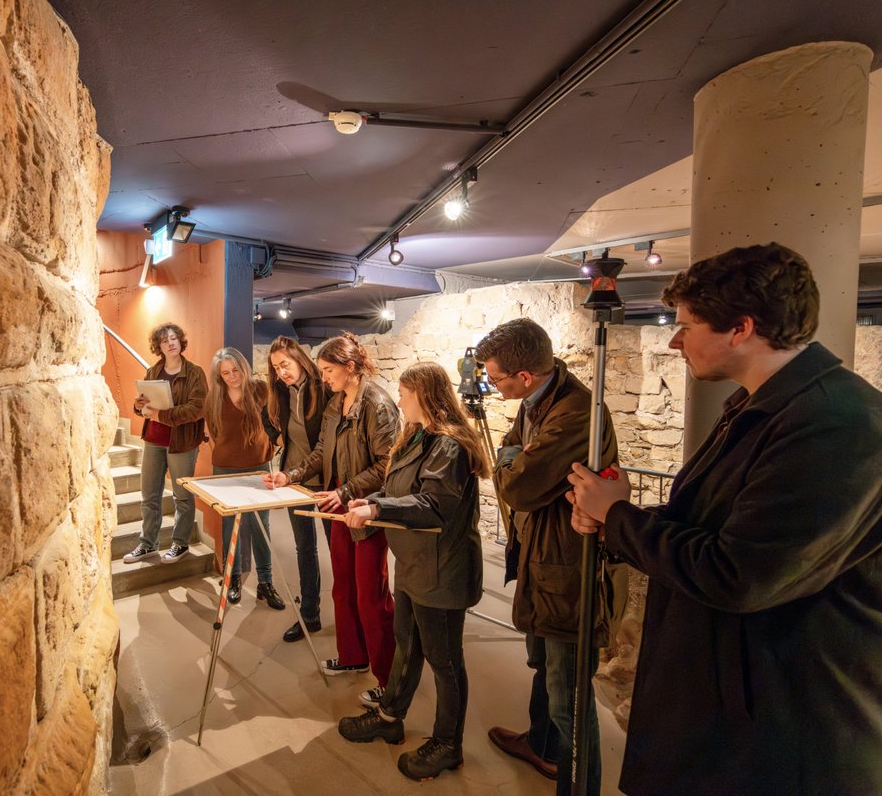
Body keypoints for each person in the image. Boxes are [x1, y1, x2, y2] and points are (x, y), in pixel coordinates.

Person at [567, 243, 882, 796]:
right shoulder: (766, 406)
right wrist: (615, 520)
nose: (675, 340)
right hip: (744, 711)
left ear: (740, 328)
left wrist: (619, 519)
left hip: (793, 732)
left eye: (686, 325)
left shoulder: (839, 426)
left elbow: (741, 573)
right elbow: (720, 526)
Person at [475, 318, 618, 796]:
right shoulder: (537, 402)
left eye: (496, 378)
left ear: (525, 377)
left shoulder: (576, 413)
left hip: (567, 568)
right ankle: (541, 746)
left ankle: (578, 787)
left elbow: (517, 485)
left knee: (569, 701)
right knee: (543, 667)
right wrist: (516, 455)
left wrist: (514, 460)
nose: (491, 386)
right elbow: (514, 459)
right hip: (541, 559)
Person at [335, 362, 490, 781]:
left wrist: (377, 508)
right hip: (415, 562)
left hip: (442, 568)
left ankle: (448, 744)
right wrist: (368, 499)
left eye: (404, 393)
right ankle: (390, 716)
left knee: (444, 660)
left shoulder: (449, 446)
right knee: (406, 645)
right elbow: (399, 487)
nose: (398, 399)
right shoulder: (415, 436)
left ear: (423, 395)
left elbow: (434, 504)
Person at [264, 332, 399, 689]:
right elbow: (321, 451)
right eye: (322, 371)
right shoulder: (336, 403)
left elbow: (388, 464)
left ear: (350, 368)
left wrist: (347, 490)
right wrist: (288, 475)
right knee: (344, 588)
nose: (323, 378)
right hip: (340, 501)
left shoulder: (377, 404)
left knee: (371, 595)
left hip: (364, 507)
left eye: (328, 371)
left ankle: (388, 679)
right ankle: (353, 656)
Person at [266, 336, 334, 642]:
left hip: (328, 480)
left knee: (339, 548)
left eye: (285, 364)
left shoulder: (323, 388)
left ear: (299, 360)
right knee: (305, 548)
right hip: (295, 481)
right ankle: (310, 613)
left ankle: (351, 614)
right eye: (276, 367)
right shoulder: (280, 390)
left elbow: (328, 440)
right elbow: (266, 420)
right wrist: (277, 441)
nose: (281, 372)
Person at [122, 322, 207, 564]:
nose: (170, 343)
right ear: (159, 346)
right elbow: (146, 405)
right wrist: (138, 407)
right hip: (153, 440)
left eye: (173, 338)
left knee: (182, 496)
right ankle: (148, 544)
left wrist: (162, 415)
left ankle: (180, 544)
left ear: (181, 342)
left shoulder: (194, 372)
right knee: (149, 495)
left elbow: (197, 409)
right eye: (164, 340)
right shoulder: (153, 371)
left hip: (182, 442)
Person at [206, 347, 284, 610]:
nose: (231, 377)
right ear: (219, 376)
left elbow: (274, 422)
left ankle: (265, 581)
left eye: (235, 370)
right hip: (225, 470)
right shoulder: (215, 397)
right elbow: (214, 433)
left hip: (258, 467)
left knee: (261, 527)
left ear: (243, 367)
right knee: (230, 528)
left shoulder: (260, 390)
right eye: (225, 373)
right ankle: (234, 579)